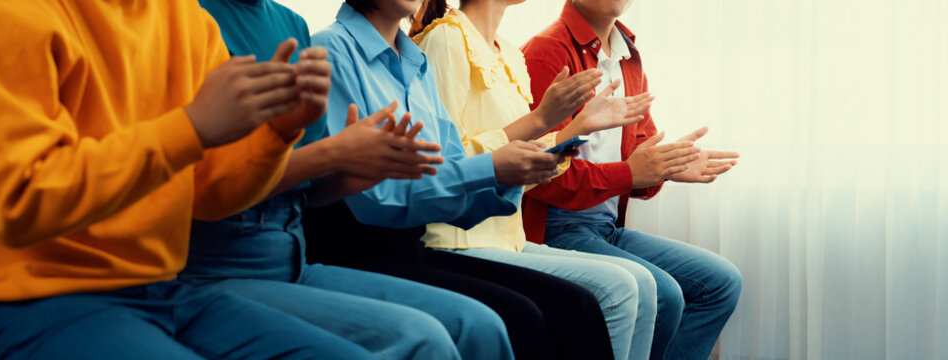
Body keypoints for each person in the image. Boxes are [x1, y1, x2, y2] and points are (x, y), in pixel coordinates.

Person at [0, 1, 378, 358]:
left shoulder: (185, 17)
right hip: (11, 303)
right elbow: (19, 199)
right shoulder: (0, 7)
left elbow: (209, 194)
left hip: (161, 292)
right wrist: (190, 129)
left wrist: (276, 134)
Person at [179, 1, 515, 359]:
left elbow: (307, 193)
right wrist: (337, 157)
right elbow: (205, 184)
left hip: (293, 257)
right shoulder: (188, 17)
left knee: (481, 325)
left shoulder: (288, 22)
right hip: (219, 263)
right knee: (427, 339)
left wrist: (349, 177)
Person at [302, 1, 615, 359]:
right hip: (353, 252)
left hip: (411, 246)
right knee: (520, 318)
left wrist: (511, 176)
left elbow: (451, 173)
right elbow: (374, 201)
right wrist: (494, 169)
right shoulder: (329, 49)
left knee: (577, 306)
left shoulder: (415, 63)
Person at [409, 0, 662, 358]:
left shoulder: (508, 53)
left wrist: (576, 129)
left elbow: (521, 169)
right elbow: (440, 163)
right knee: (619, 287)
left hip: (509, 238)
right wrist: (543, 123)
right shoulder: (446, 41)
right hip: (459, 238)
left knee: (643, 284)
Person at [521, 0, 744, 359]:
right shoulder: (546, 51)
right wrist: (631, 173)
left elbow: (639, 155)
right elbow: (541, 174)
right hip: (554, 228)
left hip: (604, 227)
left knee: (721, 282)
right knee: (664, 294)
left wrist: (667, 165)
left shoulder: (628, 55)